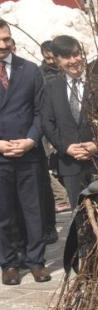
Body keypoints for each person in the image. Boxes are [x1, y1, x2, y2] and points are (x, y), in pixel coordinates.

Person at [0, 19, 50, 286]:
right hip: (0, 155)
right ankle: (9, 263)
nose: (3, 45)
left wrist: (31, 140)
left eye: (7, 39)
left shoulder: (29, 70)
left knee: (34, 210)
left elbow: (41, 111)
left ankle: (36, 261)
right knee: (3, 212)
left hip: (28, 153)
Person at [41, 35, 98, 209]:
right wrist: (66, 147)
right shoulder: (51, 86)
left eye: (76, 54)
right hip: (69, 163)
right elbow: (47, 123)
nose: (73, 61)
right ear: (57, 60)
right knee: (79, 212)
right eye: (67, 57)